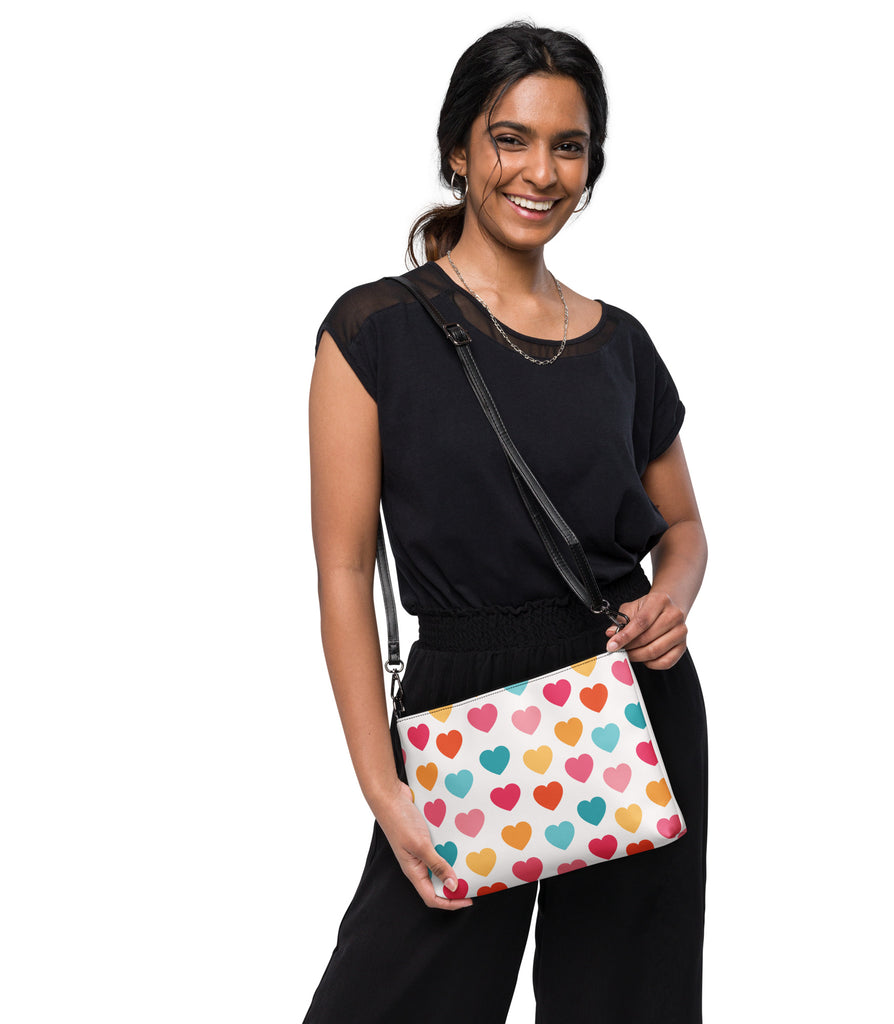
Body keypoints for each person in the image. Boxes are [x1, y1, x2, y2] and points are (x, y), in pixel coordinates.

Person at [303, 21, 709, 1024]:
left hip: (628, 699)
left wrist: (671, 598)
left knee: (626, 1005)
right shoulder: (374, 329)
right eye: (510, 138)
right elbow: (344, 569)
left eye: (568, 146)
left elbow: (684, 529)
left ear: (591, 166)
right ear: (459, 150)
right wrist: (381, 786)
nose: (539, 171)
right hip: (464, 709)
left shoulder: (621, 344)